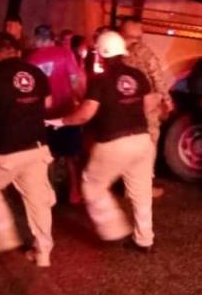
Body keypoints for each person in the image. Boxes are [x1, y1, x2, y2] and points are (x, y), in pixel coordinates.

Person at [56, 31, 158, 252]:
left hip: (113, 142)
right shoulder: (139, 75)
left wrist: (62, 121)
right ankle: (144, 240)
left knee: (92, 185)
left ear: (101, 55)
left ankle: (113, 228)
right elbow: (149, 105)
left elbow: (85, 114)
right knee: (141, 194)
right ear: (123, 52)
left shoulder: (99, 81)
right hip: (142, 140)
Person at [0, 32, 56, 267]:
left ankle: (3, 234)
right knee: (37, 200)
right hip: (37, 147)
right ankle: (43, 253)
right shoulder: (36, 72)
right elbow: (48, 103)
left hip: (5, 150)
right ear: (18, 52)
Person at [25, 24, 85, 205]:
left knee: (46, 156)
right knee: (71, 156)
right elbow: (75, 81)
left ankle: (48, 192)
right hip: (66, 112)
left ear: (37, 38)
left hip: (43, 116)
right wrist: (82, 102)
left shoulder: (30, 60)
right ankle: (74, 192)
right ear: (53, 38)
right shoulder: (65, 54)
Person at [118, 17, 173, 198]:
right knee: (148, 149)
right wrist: (167, 101)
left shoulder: (117, 54)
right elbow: (157, 78)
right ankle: (143, 188)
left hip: (124, 108)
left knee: (128, 148)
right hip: (146, 108)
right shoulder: (144, 52)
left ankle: (128, 187)